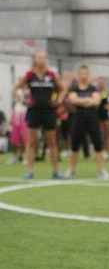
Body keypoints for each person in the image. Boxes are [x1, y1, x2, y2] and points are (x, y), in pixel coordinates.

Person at [13, 51, 67, 180]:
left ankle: (56, 170)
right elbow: (14, 88)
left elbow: (62, 89)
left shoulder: (51, 75)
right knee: (31, 143)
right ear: (34, 60)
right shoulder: (29, 75)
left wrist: (59, 101)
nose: (41, 60)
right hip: (33, 111)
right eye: (38, 58)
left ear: (45, 60)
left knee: (52, 143)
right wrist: (22, 100)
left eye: (43, 58)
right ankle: (29, 171)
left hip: (49, 111)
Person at [65, 64, 109, 179]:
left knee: (97, 143)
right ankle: (71, 170)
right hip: (78, 117)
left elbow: (96, 101)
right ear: (78, 75)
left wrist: (80, 101)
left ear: (89, 75)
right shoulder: (74, 88)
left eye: (86, 74)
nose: (84, 76)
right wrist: (87, 100)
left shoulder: (93, 88)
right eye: (81, 74)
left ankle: (102, 170)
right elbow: (72, 99)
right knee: (75, 144)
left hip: (92, 117)